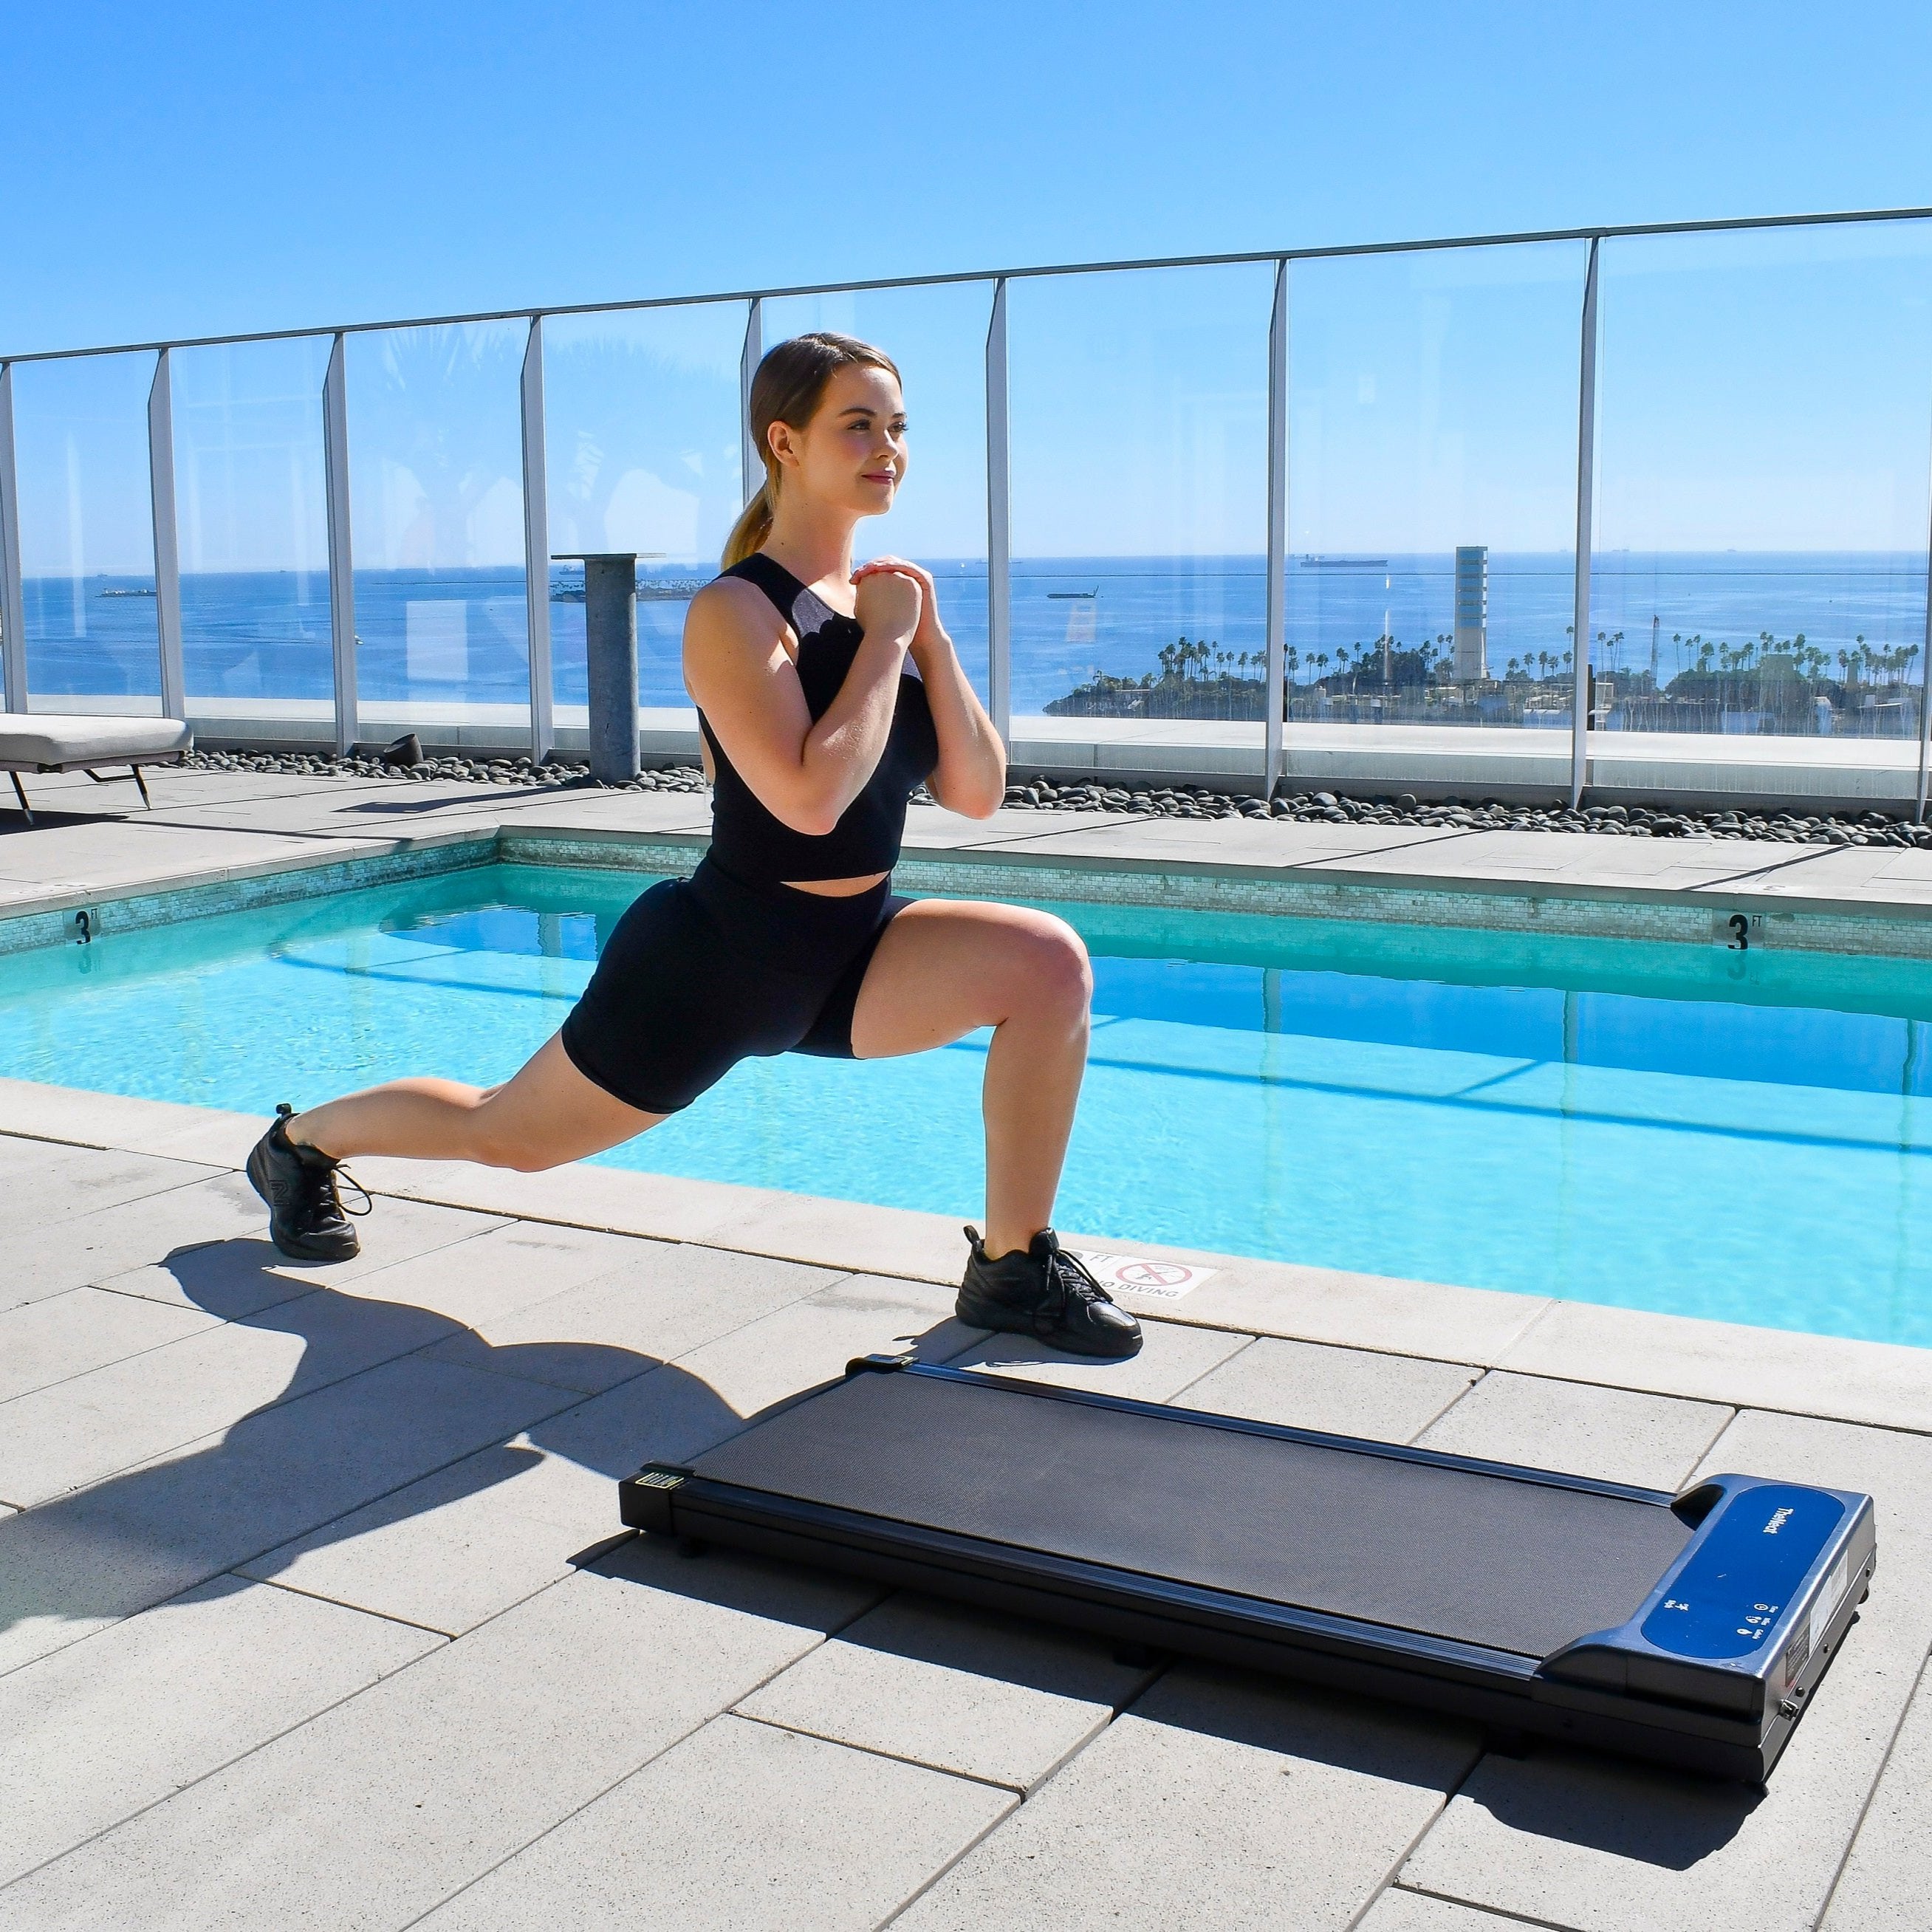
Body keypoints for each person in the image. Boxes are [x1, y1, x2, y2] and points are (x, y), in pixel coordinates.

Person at [246, 332, 1139, 1359]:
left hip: (852, 951)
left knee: (1048, 963)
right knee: (506, 1135)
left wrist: (929, 642)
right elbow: (809, 803)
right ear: (784, 442)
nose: (888, 448)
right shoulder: (737, 611)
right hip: (718, 961)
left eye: (897, 427)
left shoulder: (880, 607)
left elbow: (977, 793)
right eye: (858, 426)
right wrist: (889, 643)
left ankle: (1013, 1269)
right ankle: (300, 1144)